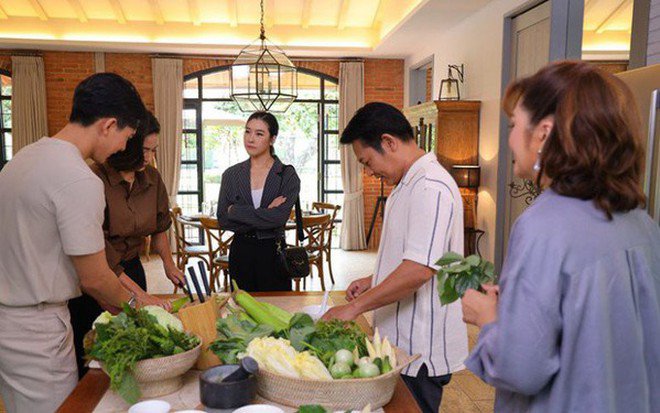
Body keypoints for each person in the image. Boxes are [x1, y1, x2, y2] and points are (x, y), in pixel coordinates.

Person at [461, 61, 660, 412]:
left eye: (513, 125)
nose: (510, 139)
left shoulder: (542, 227)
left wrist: (488, 319)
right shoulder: (642, 224)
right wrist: (518, 306)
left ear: (543, 133)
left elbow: (521, 369)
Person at [0, 73, 157, 412]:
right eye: (127, 137)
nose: (123, 148)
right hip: (36, 328)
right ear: (109, 125)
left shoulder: (24, 158)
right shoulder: (78, 178)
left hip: (9, 320)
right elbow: (95, 278)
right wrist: (139, 308)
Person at [321, 102, 468, 412]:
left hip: (419, 348)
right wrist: (373, 279)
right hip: (399, 340)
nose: (369, 171)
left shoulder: (430, 186)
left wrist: (354, 308)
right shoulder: (407, 182)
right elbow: (412, 255)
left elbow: (418, 270)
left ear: (388, 142)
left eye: (367, 161)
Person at [68, 110, 183, 378]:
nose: (149, 158)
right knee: (94, 358)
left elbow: (160, 228)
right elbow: (103, 258)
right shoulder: (94, 179)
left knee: (133, 348)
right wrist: (140, 296)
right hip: (97, 274)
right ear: (128, 144)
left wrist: (169, 265)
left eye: (154, 151)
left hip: (132, 267)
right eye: (144, 150)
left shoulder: (152, 179)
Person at [216, 111, 300, 292]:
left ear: (272, 139)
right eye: (247, 131)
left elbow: (278, 218)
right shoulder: (231, 175)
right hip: (241, 251)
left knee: (276, 307)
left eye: (259, 133)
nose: (250, 138)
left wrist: (235, 211)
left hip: (273, 252)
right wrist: (266, 214)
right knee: (241, 306)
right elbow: (223, 219)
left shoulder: (287, 175)